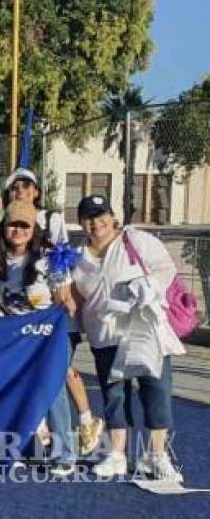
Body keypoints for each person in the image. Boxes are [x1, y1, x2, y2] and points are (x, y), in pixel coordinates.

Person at [69, 195, 184, 481]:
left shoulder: (135, 240)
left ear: (112, 215)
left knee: (155, 389)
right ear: (81, 222)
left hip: (144, 329)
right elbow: (72, 295)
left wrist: (147, 287)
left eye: (101, 215)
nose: (97, 222)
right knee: (114, 395)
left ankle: (157, 455)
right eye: (89, 217)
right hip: (104, 334)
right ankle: (117, 454)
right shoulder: (76, 256)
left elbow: (165, 268)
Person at [0, 200, 77, 475]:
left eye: (24, 225)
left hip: (46, 337)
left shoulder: (49, 259)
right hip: (13, 339)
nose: (17, 230)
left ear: (33, 229)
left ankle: (64, 450)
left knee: (53, 391)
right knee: (15, 391)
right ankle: (25, 446)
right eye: (12, 224)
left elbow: (66, 303)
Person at [3, 168, 67, 245]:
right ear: (9, 195)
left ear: (36, 192)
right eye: (14, 187)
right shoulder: (2, 221)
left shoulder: (52, 219)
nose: (20, 190)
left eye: (26, 185)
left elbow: (63, 252)